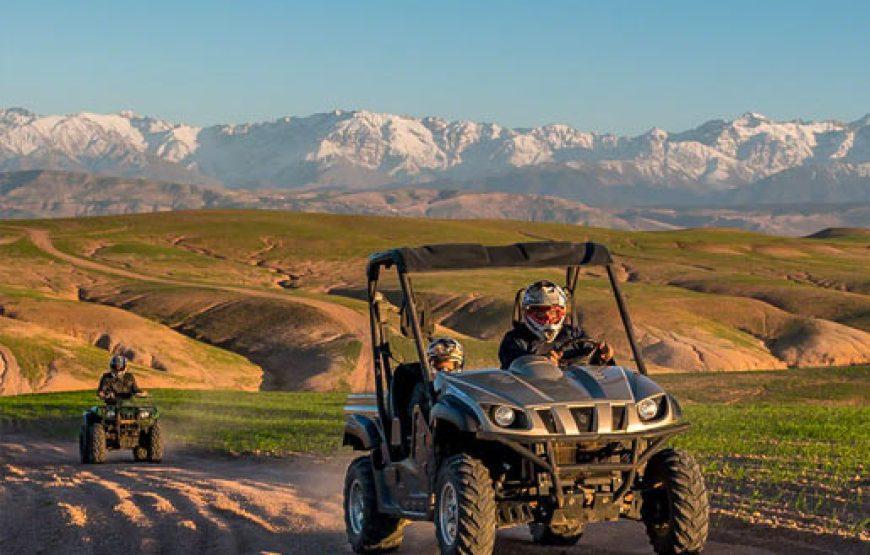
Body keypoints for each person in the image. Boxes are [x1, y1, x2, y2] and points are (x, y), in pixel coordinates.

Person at [498, 280, 615, 370]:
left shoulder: (574, 334)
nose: (548, 318)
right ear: (528, 312)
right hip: (535, 397)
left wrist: (604, 357)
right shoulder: (515, 340)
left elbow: (593, 368)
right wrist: (542, 364)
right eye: (540, 313)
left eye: (554, 312)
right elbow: (514, 366)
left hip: (576, 395)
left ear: (562, 312)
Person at [407, 337, 464, 424]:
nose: (444, 372)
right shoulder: (423, 387)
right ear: (431, 366)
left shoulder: (463, 388)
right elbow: (413, 412)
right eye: (440, 368)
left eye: (449, 368)